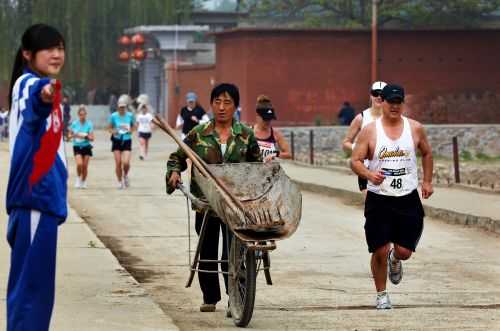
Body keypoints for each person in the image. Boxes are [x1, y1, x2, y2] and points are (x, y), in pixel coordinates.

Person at [166, 83, 262, 313]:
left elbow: (257, 167)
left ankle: (235, 298)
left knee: (234, 254)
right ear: (211, 105)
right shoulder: (199, 134)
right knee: (207, 251)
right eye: (217, 102)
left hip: (235, 205)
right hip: (206, 204)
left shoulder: (246, 136)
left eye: (227, 103)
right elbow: (177, 157)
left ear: (236, 106)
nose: (221, 107)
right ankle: (210, 297)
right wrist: (175, 172)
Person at [351, 83, 434, 310]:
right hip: (379, 198)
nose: (395, 106)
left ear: (402, 104)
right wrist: (369, 174)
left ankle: (396, 260)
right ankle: (382, 295)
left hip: (407, 197)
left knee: (404, 251)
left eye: (399, 102)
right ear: (383, 103)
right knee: (379, 248)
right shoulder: (370, 130)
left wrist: (427, 181)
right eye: (391, 102)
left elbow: (426, 153)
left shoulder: (415, 128)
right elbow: (355, 160)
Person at [5, 23, 66, 331]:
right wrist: (44, 95)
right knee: (31, 293)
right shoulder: (28, 84)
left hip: (43, 201)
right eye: (49, 48)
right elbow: (35, 104)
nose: (57, 54)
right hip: (35, 198)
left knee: (37, 291)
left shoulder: (41, 84)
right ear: (28, 54)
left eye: (60, 48)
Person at [343, 81, 387, 194]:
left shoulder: (392, 118)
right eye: (375, 93)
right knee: (372, 207)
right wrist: (358, 149)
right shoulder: (361, 118)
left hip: (389, 170)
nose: (379, 97)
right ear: (370, 95)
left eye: (382, 94)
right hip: (366, 170)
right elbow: (346, 142)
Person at [108, 94, 136, 189]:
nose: (122, 109)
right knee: (118, 162)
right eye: (120, 107)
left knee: (126, 162)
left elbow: (134, 126)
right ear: (117, 107)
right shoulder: (113, 116)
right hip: (116, 140)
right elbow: (109, 128)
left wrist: (130, 131)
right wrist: (113, 131)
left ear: (126, 107)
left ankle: (125, 175)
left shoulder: (130, 115)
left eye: (123, 107)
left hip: (127, 139)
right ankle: (120, 182)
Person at [253, 95, 291, 161]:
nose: (268, 122)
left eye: (270, 119)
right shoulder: (249, 132)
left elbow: (289, 154)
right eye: (265, 119)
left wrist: (275, 154)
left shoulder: (275, 134)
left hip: (270, 170)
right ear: (257, 115)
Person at [69, 105, 94, 188]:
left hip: (86, 146)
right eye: (81, 115)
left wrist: (86, 136)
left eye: (84, 114)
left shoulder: (89, 124)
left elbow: (92, 138)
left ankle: (84, 181)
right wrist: (72, 135)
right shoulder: (74, 124)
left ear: (86, 114)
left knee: (85, 166)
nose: (82, 116)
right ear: (78, 115)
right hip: (77, 146)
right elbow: (69, 135)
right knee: (79, 164)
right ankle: (78, 178)